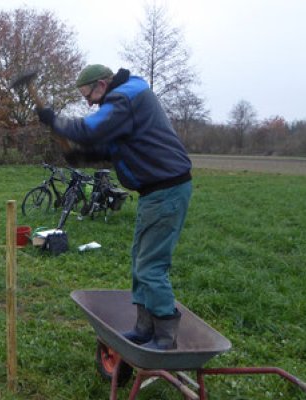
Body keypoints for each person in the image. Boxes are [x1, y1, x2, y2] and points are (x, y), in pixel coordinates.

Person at [36, 64, 192, 350]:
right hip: (154, 191)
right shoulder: (125, 102)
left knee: (151, 266)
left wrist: (55, 121)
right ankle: (145, 328)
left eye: (88, 96)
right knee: (139, 261)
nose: (89, 103)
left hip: (167, 189)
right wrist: (82, 156)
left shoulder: (126, 97)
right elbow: (111, 146)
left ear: (102, 84)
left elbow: (90, 129)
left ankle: (165, 337)